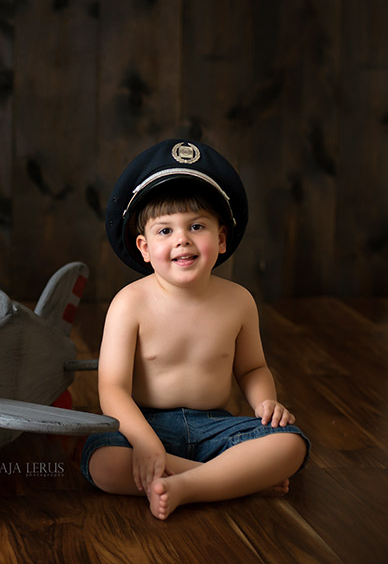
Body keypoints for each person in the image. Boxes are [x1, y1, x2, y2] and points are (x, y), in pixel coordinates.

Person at [82, 140, 310, 520]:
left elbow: (251, 369)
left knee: (291, 445)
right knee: (102, 459)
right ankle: (231, 481)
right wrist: (145, 443)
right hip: (145, 422)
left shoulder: (239, 301)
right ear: (143, 247)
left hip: (215, 427)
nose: (182, 239)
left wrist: (264, 403)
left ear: (221, 239)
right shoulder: (129, 303)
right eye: (165, 230)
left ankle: (188, 484)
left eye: (197, 226)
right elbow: (112, 388)